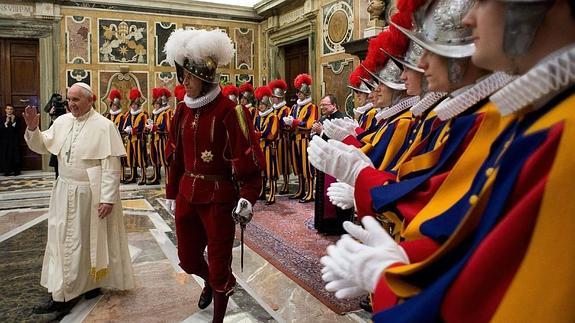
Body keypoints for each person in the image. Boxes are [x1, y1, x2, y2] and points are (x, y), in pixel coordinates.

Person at [317, 0, 575, 320]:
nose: (469, 18)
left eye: (482, 2)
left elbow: (504, 289)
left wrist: (394, 276)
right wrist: (403, 264)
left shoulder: (543, 121)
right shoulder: (534, 112)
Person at [164, 28, 265, 323]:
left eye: (189, 77)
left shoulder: (231, 112)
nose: (184, 82)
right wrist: (172, 191)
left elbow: (249, 158)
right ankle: (210, 281)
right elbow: (175, 157)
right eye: (182, 75)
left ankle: (219, 312)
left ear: (206, 78)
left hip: (219, 200)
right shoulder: (181, 111)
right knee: (187, 259)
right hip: (186, 195)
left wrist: (247, 197)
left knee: (221, 266)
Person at [23, 82, 134, 316]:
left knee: (85, 242)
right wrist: (33, 130)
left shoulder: (105, 127)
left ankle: (81, 287)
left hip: (89, 193)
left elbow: (111, 166)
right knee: (63, 240)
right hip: (64, 189)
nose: (70, 104)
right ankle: (65, 290)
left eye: (76, 100)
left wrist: (108, 198)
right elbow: (43, 145)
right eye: (69, 99)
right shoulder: (62, 121)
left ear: (90, 100)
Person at [311, 94, 355, 235]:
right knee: (322, 194)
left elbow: (341, 140)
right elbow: (317, 135)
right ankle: (322, 225)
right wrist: (314, 133)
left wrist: (321, 131)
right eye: (321, 104)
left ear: (334, 105)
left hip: (336, 163)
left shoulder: (341, 119)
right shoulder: (323, 118)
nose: (322, 107)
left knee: (334, 194)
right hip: (324, 161)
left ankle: (336, 227)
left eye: (325, 105)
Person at [283, 73, 318, 203]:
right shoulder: (294, 107)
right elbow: (290, 121)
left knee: (306, 166)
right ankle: (301, 189)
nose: (297, 94)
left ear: (306, 93)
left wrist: (295, 122)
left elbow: (309, 124)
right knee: (297, 165)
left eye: (300, 92)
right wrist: (287, 123)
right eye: (297, 92)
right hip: (294, 139)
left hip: (305, 139)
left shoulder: (312, 107)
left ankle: (310, 192)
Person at [254, 86, 279, 205]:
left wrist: (259, 134)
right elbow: (254, 129)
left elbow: (271, 134)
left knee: (270, 172)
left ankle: (272, 195)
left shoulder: (273, 117)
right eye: (259, 104)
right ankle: (262, 192)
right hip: (260, 147)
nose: (260, 107)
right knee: (261, 172)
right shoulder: (258, 117)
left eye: (262, 105)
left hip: (269, 147)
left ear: (268, 105)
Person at [268, 79, 292, 194]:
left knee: (284, 161)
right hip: (274, 140)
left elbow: (287, 124)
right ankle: (274, 184)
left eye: (275, 97)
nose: (273, 99)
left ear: (280, 97)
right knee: (274, 162)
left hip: (283, 138)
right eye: (272, 96)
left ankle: (286, 183)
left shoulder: (286, 109)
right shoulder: (271, 110)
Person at [122, 88, 148, 185]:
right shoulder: (129, 114)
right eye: (132, 104)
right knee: (131, 158)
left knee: (141, 159)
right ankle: (133, 176)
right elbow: (126, 125)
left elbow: (142, 127)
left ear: (138, 105)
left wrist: (133, 130)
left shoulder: (142, 115)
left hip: (139, 139)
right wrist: (126, 129)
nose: (133, 106)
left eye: (135, 105)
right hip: (130, 139)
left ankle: (143, 177)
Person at [147, 87, 172, 185]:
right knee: (154, 157)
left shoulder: (165, 112)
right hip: (154, 138)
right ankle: (156, 176)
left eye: (158, 104)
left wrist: (154, 128)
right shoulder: (154, 113)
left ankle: (168, 178)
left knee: (164, 159)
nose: (156, 106)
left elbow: (164, 127)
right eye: (155, 104)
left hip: (162, 138)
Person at [105, 88, 127, 182]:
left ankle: (121, 175)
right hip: (109, 139)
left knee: (120, 158)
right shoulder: (108, 116)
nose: (114, 107)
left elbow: (122, 127)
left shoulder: (121, 116)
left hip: (119, 139)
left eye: (116, 106)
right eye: (113, 105)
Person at [44, 94, 68, 178]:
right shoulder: (54, 119)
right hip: (58, 149)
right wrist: (53, 117)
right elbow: (51, 133)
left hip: (68, 149)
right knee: (58, 176)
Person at [1, 104, 22, 176]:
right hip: (5, 142)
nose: (9, 110)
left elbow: (18, 129)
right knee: (6, 156)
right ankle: (7, 171)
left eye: (11, 109)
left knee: (15, 156)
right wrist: (6, 123)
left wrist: (13, 122)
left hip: (14, 141)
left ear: (13, 110)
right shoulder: (2, 118)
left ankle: (16, 171)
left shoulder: (17, 118)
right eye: (8, 109)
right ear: (5, 110)